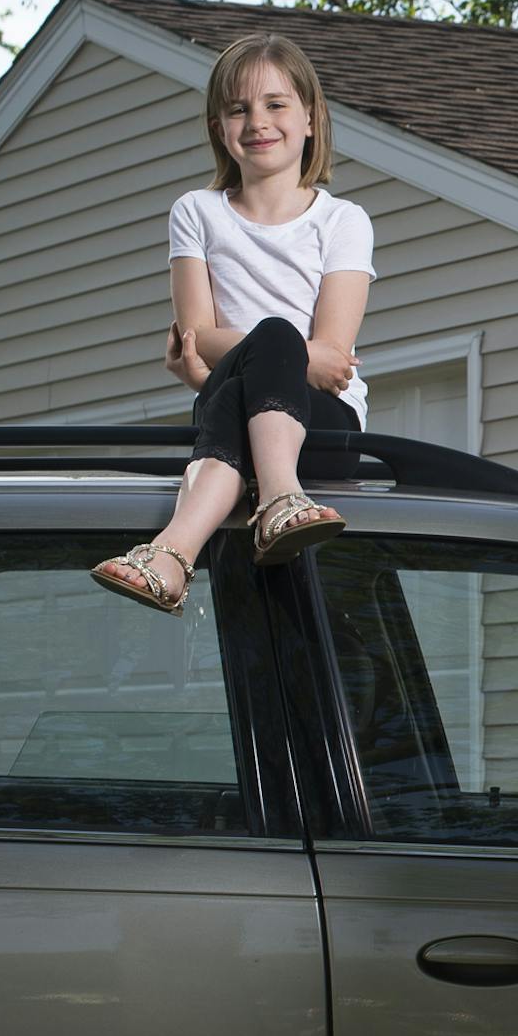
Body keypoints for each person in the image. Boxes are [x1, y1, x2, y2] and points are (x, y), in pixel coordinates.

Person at [91, 32, 372, 613]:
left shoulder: (343, 220)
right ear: (219, 128)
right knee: (276, 337)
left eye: (275, 104)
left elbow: (333, 362)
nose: (257, 122)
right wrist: (292, 352)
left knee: (261, 354)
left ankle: (173, 553)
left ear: (311, 118)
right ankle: (280, 501)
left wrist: (223, 363)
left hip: (324, 429)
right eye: (238, 109)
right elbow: (197, 333)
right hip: (243, 406)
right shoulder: (196, 211)